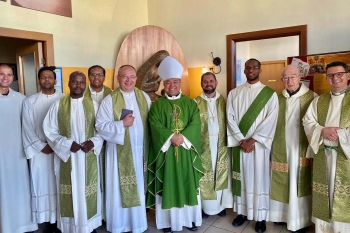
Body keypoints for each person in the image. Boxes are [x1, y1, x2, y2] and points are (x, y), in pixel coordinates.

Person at [147, 56, 204, 233]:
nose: (172, 85)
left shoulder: (190, 103)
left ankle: (190, 219)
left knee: (188, 182)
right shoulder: (157, 105)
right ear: (164, 84)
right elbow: (154, 123)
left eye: (175, 81)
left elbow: (196, 123)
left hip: (186, 151)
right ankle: (167, 223)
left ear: (180, 82)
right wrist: (171, 136)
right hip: (167, 152)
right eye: (168, 82)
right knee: (168, 183)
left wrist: (183, 138)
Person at [43, 71, 103, 233]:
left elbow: (102, 129)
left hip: (88, 157)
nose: (78, 85)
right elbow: (49, 130)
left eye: (81, 82)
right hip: (67, 158)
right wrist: (67, 144)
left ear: (85, 84)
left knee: (87, 191)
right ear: (68, 84)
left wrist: (93, 142)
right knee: (68, 190)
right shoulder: (58, 105)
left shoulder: (94, 105)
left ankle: (89, 226)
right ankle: (69, 227)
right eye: (75, 82)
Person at [96, 65, 151, 233]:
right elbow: (100, 126)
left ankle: (138, 224)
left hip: (141, 152)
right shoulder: (109, 100)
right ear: (118, 78)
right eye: (125, 77)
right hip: (117, 153)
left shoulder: (144, 97)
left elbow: (152, 122)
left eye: (132, 77)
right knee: (118, 190)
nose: (129, 80)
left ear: (136, 78)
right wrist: (121, 124)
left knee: (139, 187)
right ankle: (119, 225)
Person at [225, 58, 278, 233]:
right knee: (242, 178)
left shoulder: (270, 94)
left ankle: (260, 217)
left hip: (259, 147)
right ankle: (242, 213)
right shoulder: (234, 93)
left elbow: (271, 120)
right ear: (244, 70)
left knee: (259, 179)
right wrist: (241, 140)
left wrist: (252, 140)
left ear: (260, 70)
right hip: (241, 146)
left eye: (254, 67)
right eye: (248, 68)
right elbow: (230, 118)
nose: (251, 70)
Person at [303, 61, 350, 233]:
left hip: (346, 156)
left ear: (348, 75)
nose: (335, 78)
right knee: (325, 193)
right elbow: (307, 121)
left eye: (339, 74)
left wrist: (342, 135)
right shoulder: (319, 100)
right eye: (330, 75)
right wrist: (322, 130)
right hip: (324, 154)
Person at [269, 65, 316, 233]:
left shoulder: (312, 97)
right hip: (280, 147)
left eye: (293, 77)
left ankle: (300, 220)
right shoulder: (276, 98)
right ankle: (281, 216)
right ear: (282, 80)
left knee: (298, 182)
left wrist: (311, 151)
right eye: (285, 78)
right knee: (282, 181)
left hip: (300, 148)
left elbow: (315, 126)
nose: (289, 81)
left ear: (300, 77)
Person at [22, 66, 65, 232]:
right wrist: (41, 146)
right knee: (42, 185)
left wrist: (58, 145)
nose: (47, 80)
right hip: (40, 152)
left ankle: (61, 220)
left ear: (55, 80)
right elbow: (27, 128)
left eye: (50, 77)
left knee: (60, 183)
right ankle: (47, 221)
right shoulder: (29, 101)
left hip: (60, 151)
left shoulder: (64, 99)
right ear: (39, 80)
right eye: (43, 77)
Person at [0, 64, 38, 233]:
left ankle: (23, 225)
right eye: (1, 74)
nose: (5, 78)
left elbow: (29, 127)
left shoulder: (21, 99)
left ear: (13, 77)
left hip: (17, 153)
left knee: (20, 189)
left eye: (8, 74)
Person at [194, 72, 228, 218]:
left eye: (211, 81)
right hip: (204, 146)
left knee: (220, 174)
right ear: (201, 84)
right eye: (205, 82)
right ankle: (205, 208)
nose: (209, 84)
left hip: (222, 145)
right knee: (205, 176)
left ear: (216, 82)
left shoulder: (224, 101)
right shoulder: (194, 102)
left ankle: (220, 207)